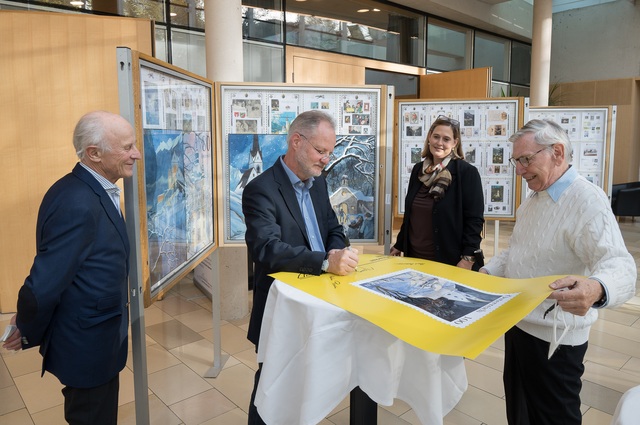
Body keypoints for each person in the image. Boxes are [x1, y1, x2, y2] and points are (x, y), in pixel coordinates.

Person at [480, 119, 636, 425]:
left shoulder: (587, 200)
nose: (519, 170)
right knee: (520, 410)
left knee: (554, 417)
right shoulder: (534, 199)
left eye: (526, 159)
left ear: (558, 153)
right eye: (516, 161)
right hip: (518, 324)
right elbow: (518, 251)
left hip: (555, 339)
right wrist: (487, 271)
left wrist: (597, 288)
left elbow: (620, 265)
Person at [2, 111, 141, 425]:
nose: (136, 154)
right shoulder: (77, 202)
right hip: (87, 346)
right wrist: (25, 323)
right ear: (94, 153)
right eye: (127, 147)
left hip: (99, 339)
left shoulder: (90, 189)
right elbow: (43, 284)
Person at [242, 110, 359, 425]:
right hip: (284, 309)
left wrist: (337, 250)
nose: (326, 160)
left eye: (330, 152)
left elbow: (333, 227)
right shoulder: (261, 189)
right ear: (296, 141)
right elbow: (266, 249)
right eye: (321, 151)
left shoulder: (318, 182)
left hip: (321, 301)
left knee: (309, 383)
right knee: (272, 386)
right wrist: (325, 262)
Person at [391, 115, 485, 271]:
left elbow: (474, 221)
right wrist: (400, 244)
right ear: (429, 137)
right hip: (414, 259)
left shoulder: (466, 173)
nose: (439, 143)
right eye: (436, 136)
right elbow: (410, 215)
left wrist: (468, 258)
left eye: (446, 139)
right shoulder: (418, 170)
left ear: (455, 143)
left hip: (449, 261)